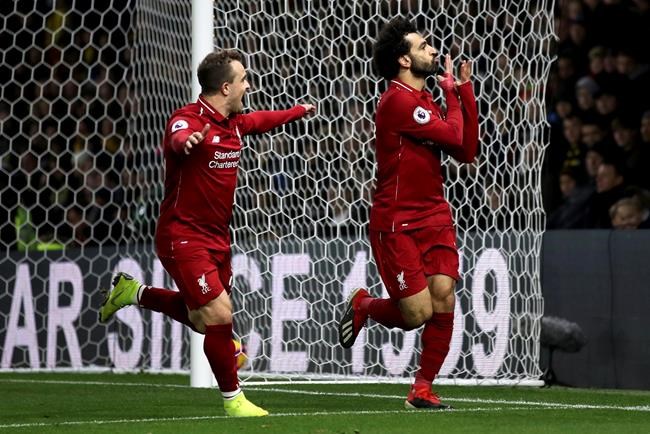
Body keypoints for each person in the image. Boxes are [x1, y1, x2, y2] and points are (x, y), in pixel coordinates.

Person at [99, 49, 316, 417]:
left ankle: (133, 292)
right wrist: (186, 143)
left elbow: (263, 120)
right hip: (182, 235)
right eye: (244, 79)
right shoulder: (187, 119)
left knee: (203, 320)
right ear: (226, 87)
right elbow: (177, 136)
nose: (249, 85)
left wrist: (297, 111)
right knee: (218, 315)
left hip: (217, 238)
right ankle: (234, 402)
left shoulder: (235, 123)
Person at [338, 17, 478, 410]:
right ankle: (364, 305)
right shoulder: (397, 101)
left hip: (435, 215)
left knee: (444, 297)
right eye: (423, 46)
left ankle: (422, 389)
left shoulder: (425, 101)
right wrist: (453, 96)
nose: (433, 50)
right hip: (396, 222)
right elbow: (453, 135)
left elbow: (467, 151)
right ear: (404, 60)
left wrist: (463, 92)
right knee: (417, 313)